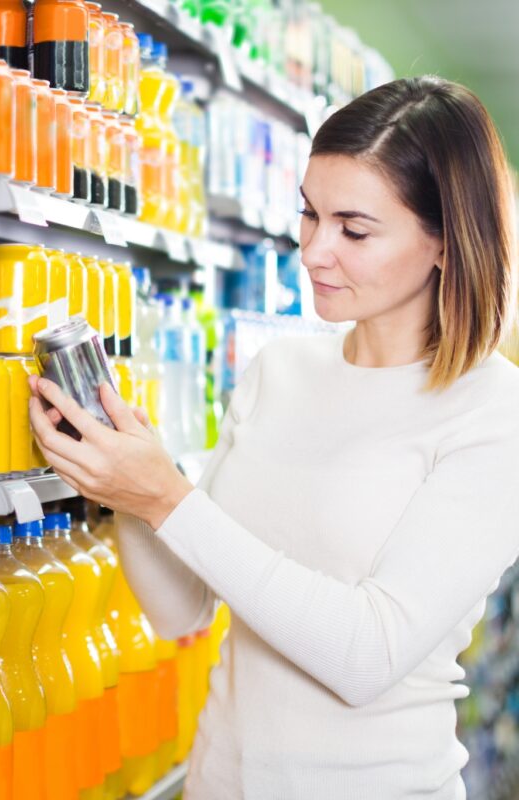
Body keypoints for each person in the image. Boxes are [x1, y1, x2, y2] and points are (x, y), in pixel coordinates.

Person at [28, 76, 519, 799]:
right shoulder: (281, 369)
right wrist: (118, 482)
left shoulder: (492, 412)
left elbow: (366, 655)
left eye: (354, 230)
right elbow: (181, 609)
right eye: (309, 215)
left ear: (447, 241)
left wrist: (167, 500)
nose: (315, 252)